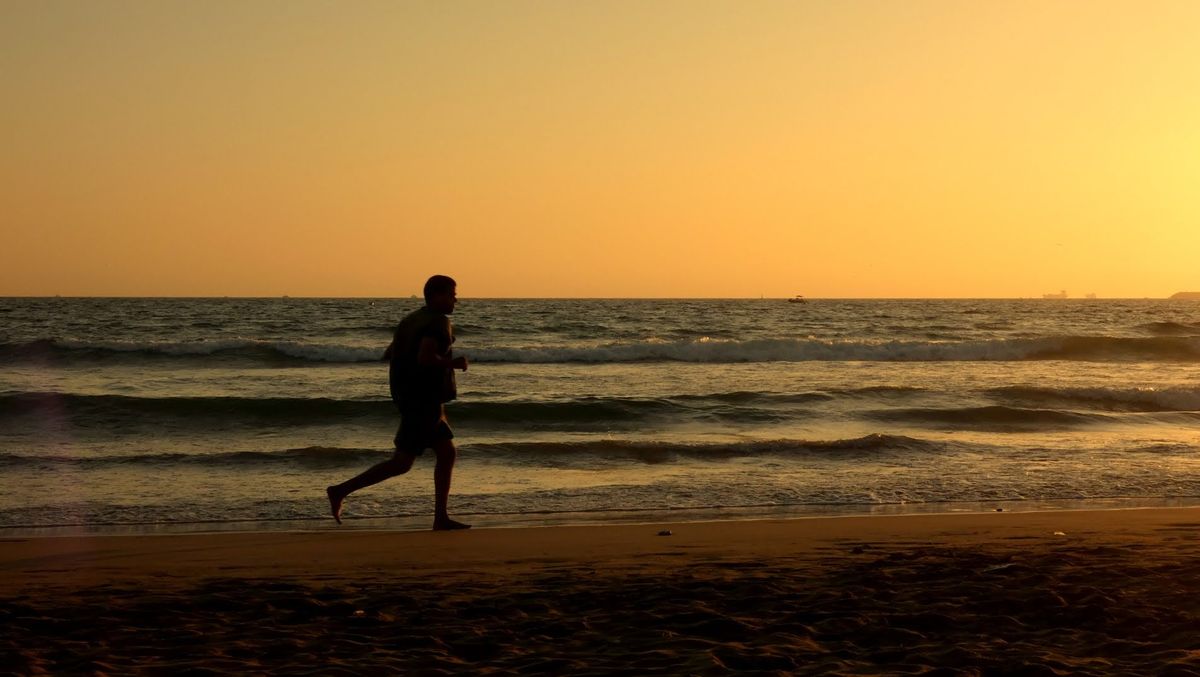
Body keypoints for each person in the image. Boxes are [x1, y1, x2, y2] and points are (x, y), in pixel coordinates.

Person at [326, 275, 470, 530]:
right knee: (402, 463)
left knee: (447, 453)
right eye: (451, 294)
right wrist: (454, 363)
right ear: (436, 296)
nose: (455, 299)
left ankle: (441, 517)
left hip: (413, 398)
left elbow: (389, 353)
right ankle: (340, 491)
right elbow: (425, 357)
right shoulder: (438, 323)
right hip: (423, 401)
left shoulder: (411, 320)